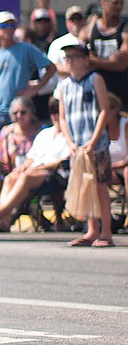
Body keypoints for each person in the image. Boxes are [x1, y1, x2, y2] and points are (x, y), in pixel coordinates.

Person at [0, 10, 55, 180]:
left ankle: (20, 190)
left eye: (11, 25)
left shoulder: (26, 49)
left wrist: (35, 89)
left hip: (20, 111)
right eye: (4, 25)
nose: (8, 29)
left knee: (22, 154)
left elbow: (50, 68)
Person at [58, 44, 114, 247]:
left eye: (74, 56)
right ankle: (92, 230)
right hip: (77, 146)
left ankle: (106, 232)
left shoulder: (95, 79)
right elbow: (62, 118)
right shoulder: (64, 85)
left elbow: (104, 111)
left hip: (95, 144)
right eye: (67, 57)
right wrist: (70, 143)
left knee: (99, 187)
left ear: (85, 59)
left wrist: (93, 141)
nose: (70, 61)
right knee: (84, 188)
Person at [0, 99, 69, 232]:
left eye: (58, 112)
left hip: (51, 173)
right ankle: (4, 221)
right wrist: (23, 167)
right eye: (52, 112)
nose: (55, 116)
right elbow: (31, 157)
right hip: (31, 170)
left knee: (25, 177)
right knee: (10, 178)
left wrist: (34, 168)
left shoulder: (68, 136)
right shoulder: (45, 133)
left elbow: (59, 163)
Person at [0, 96, 39, 211]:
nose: (19, 116)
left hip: (29, 173)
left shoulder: (38, 132)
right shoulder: (6, 132)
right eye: (15, 113)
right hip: (8, 171)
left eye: (23, 112)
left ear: (31, 113)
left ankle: (1, 214)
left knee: (18, 178)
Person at [86, 0, 128, 110]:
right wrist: (110, 60)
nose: (119, 7)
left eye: (121, 3)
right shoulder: (90, 29)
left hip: (120, 94)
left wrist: (94, 60)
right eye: (115, 3)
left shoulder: (125, 30)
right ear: (104, 3)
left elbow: (121, 65)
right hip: (95, 91)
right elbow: (84, 61)